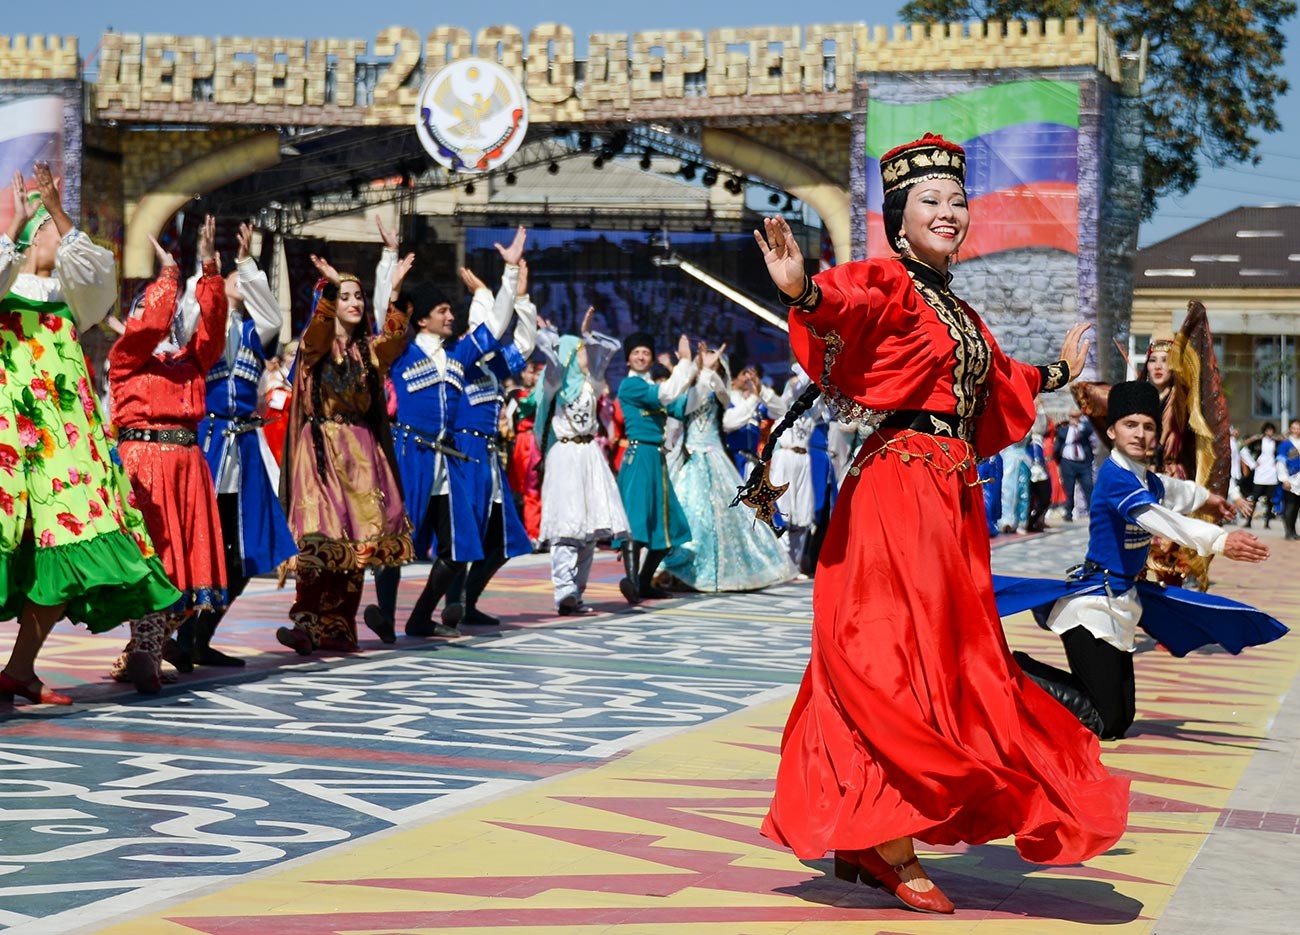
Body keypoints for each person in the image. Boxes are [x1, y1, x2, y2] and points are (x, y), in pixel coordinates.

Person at [748, 133, 1125, 914]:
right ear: (898, 218)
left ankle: (864, 832)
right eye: (931, 201)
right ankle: (889, 840)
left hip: (949, 501)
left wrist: (1058, 370)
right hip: (896, 492)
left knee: (954, 662)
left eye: (957, 201)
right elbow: (845, 303)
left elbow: (1002, 379)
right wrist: (804, 293)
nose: (949, 212)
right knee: (889, 657)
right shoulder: (888, 280)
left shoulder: (958, 306)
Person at [995, 381, 1284, 739]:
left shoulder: (1144, 478)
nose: (1140, 433)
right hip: (1091, 607)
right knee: (1107, 722)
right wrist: (1220, 540)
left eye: (1148, 426)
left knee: (1122, 716)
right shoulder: (1116, 479)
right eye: (1131, 425)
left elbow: (1175, 491)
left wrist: (1210, 499)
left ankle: (1019, 672)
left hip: (1121, 605)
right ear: (1112, 430)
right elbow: (1153, 515)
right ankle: (1009, 671)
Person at [1, 163, 179, 705]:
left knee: (76, 540)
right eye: (56, 226)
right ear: (34, 240)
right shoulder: (7, 279)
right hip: (11, 431)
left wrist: (55, 207)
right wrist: (13, 226)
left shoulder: (70, 291)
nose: (65, 230)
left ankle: (21, 669)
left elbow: (96, 269)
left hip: (65, 438)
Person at [365, 226, 527, 639]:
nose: (450, 316)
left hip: (448, 459)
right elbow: (385, 315)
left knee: (457, 551)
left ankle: (421, 617)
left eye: (451, 311)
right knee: (396, 543)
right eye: (442, 311)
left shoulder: (460, 353)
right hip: (408, 455)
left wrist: (509, 274)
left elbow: (496, 324)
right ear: (422, 318)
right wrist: (389, 260)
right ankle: (384, 617)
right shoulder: (400, 351)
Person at [108, 218, 229, 694]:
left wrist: (210, 267)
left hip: (186, 467)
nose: (161, 318)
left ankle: (142, 651)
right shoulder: (126, 358)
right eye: (148, 310)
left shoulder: (191, 361)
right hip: (144, 466)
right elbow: (148, 326)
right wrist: (168, 276)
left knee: (187, 574)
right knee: (154, 562)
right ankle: (144, 653)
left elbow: (214, 325)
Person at [276, 249, 415, 655]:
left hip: (360, 453)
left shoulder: (366, 352)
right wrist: (332, 287)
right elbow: (318, 331)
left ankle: (339, 625)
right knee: (320, 537)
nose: (354, 303)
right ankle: (306, 623)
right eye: (346, 296)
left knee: (356, 545)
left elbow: (392, 341)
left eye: (358, 297)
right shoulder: (315, 345)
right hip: (320, 452)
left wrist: (394, 292)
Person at [181, 222, 297, 667]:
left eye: (240, 277)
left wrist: (248, 262)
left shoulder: (253, 332)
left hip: (244, 450)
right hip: (208, 444)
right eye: (230, 276)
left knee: (246, 551)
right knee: (200, 545)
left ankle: (200, 635)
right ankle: (181, 634)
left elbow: (272, 316)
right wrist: (205, 264)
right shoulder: (203, 329)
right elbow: (189, 317)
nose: (236, 278)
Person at [441, 260, 538, 628]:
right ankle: (452, 603)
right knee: (462, 535)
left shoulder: (492, 365)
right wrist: (487, 294)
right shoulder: (456, 361)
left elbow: (526, 343)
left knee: (501, 540)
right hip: (464, 454)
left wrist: (523, 297)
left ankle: (466, 600)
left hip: (489, 459)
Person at [661, 343, 796, 592]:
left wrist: (715, 374)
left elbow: (724, 400)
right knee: (692, 511)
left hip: (717, 455)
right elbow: (688, 407)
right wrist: (699, 370)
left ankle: (720, 570)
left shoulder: (718, 390)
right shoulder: (688, 390)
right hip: (693, 454)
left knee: (728, 517)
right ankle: (678, 570)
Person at [533, 308, 630, 613]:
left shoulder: (591, 385)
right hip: (565, 455)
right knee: (567, 527)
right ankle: (563, 591)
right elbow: (551, 371)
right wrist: (552, 343)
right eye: (579, 350)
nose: (585, 354)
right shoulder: (555, 387)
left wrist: (585, 334)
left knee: (589, 530)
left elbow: (601, 363)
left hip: (589, 455)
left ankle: (577, 591)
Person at [614, 331, 697, 603]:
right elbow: (668, 393)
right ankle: (631, 580)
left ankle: (642, 580)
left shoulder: (652, 386)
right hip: (639, 457)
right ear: (628, 358)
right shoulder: (630, 386)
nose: (640, 356)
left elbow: (682, 405)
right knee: (638, 520)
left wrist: (700, 372)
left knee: (669, 524)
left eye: (646, 353)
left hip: (656, 459)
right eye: (636, 352)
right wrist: (684, 362)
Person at [1053, 409, 1095, 521]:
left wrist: (1079, 425)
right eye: (1073, 417)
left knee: (1088, 486)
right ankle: (1068, 512)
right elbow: (1058, 444)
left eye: (1077, 417)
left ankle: (1093, 511)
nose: (1074, 419)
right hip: (1068, 463)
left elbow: (1089, 430)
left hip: (1083, 463)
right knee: (1069, 489)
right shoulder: (1064, 430)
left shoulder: (1084, 427)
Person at [1242, 422, 1279, 529]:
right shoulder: (1257, 442)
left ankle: (1267, 522)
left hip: (1271, 475)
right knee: (1254, 498)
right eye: (1267, 430)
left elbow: (1282, 454)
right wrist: (1253, 464)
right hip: (1260, 475)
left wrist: (1277, 463)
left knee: (1270, 500)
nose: (1270, 432)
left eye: (1271, 430)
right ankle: (1248, 521)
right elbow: (1243, 450)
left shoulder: (1276, 443)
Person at [1278, 419, 1300, 540]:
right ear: (1290, 429)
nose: (1296, 430)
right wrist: (1284, 479)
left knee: (1296, 506)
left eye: (1298, 428)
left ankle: (1294, 531)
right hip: (1290, 478)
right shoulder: (1285, 444)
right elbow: (1280, 462)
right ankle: (1288, 532)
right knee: (1290, 505)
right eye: (1294, 428)